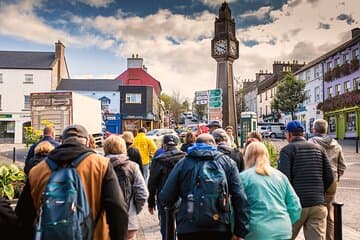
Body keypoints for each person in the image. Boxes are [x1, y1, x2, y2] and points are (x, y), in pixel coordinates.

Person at [16, 124, 129, 240]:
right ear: (86, 142)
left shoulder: (37, 171)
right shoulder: (101, 165)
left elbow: (23, 216)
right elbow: (118, 210)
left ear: (61, 141)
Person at [159, 133, 249, 240]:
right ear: (215, 146)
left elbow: (166, 196)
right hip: (219, 226)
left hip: (188, 227)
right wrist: (240, 230)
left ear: (195, 144)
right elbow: (239, 197)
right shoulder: (227, 163)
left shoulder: (183, 163)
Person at [278, 120, 334, 240]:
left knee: (285, 236)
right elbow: (330, 177)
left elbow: (284, 179)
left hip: (296, 205)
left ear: (289, 134)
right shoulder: (319, 149)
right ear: (303, 133)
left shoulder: (287, 150)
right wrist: (320, 193)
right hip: (318, 204)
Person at [240, 141, 302, 239]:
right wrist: (286, 220)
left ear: (247, 156)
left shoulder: (243, 178)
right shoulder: (280, 176)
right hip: (283, 228)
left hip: (257, 230)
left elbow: (237, 207)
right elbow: (295, 206)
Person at [104, 135, 148, 240]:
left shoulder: (100, 166)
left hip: (105, 220)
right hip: (128, 220)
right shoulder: (132, 166)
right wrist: (134, 210)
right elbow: (142, 193)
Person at [308, 119, 346, 240]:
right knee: (330, 212)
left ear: (314, 130)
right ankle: (330, 237)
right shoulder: (336, 144)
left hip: (316, 181)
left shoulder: (311, 143)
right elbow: (342, 166)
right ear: (326, 129)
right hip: (332, 182)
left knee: (316, 214)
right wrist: (336, 177)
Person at [148, 135, 186, 240]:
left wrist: (151, 200)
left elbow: (152, 181)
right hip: (182, 196)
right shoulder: (185, 158)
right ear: (177, 145)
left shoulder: (159, 160)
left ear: (164, 146)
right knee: (182, 225)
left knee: (165, 225)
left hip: (163, 196)